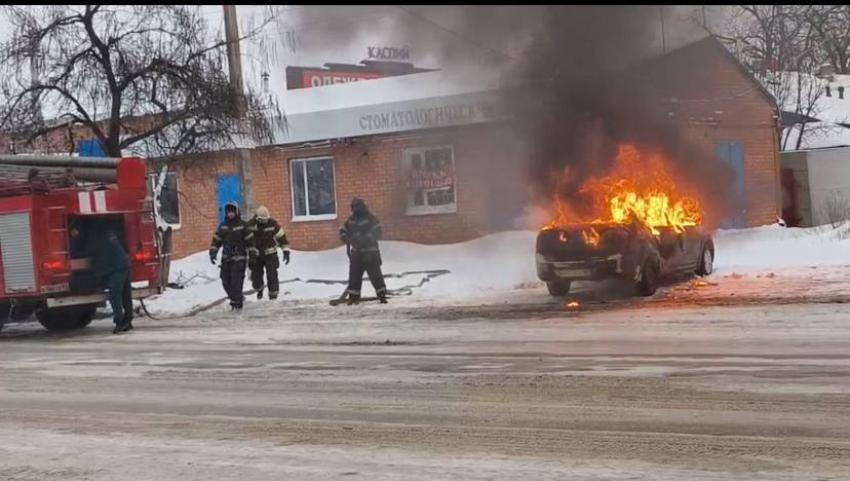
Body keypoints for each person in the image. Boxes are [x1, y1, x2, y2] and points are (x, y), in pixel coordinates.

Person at [71, 220, 134, 334]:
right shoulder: (109, 234)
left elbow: (84, 252)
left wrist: (75, 240)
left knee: (116, 297)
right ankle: (128, 321)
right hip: (125, 266)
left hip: (116, 270)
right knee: (126, 295)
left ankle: (119, 322)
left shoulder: (94, 240)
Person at [339, 198, 387, 304]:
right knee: (355, 276)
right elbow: (343, 232)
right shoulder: (351, 220)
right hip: (357, 254)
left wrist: (366, 239)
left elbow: (378, 231)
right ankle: (354, 297)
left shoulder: (371, 219)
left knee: (375, 275)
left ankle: (381, 294)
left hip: (370, 253)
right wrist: (348, 239)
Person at [209, 202, 254, 311]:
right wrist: (213, 252)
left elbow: (251, 242)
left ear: (236, 212)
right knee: (225, 281)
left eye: (232, 212)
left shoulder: (243, 225)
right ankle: (236, 300)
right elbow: (216, 240)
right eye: (229, 212)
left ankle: (237, 304)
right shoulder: (223, 226)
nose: (230, 214)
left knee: (236, 282)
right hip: (226, 259)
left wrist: (253, 255)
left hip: (239, 259)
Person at [247, 205, 291, 300]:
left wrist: (286, 251)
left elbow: (282, 237)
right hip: (257, 255)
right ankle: (259, 288)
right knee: (256, 276)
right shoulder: (250, 225)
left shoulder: (272, 224)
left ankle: (273, 295)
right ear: (258, 218)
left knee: (272, 275)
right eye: (263, 219)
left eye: (266, 219)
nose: (265, 221)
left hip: (270, 254)